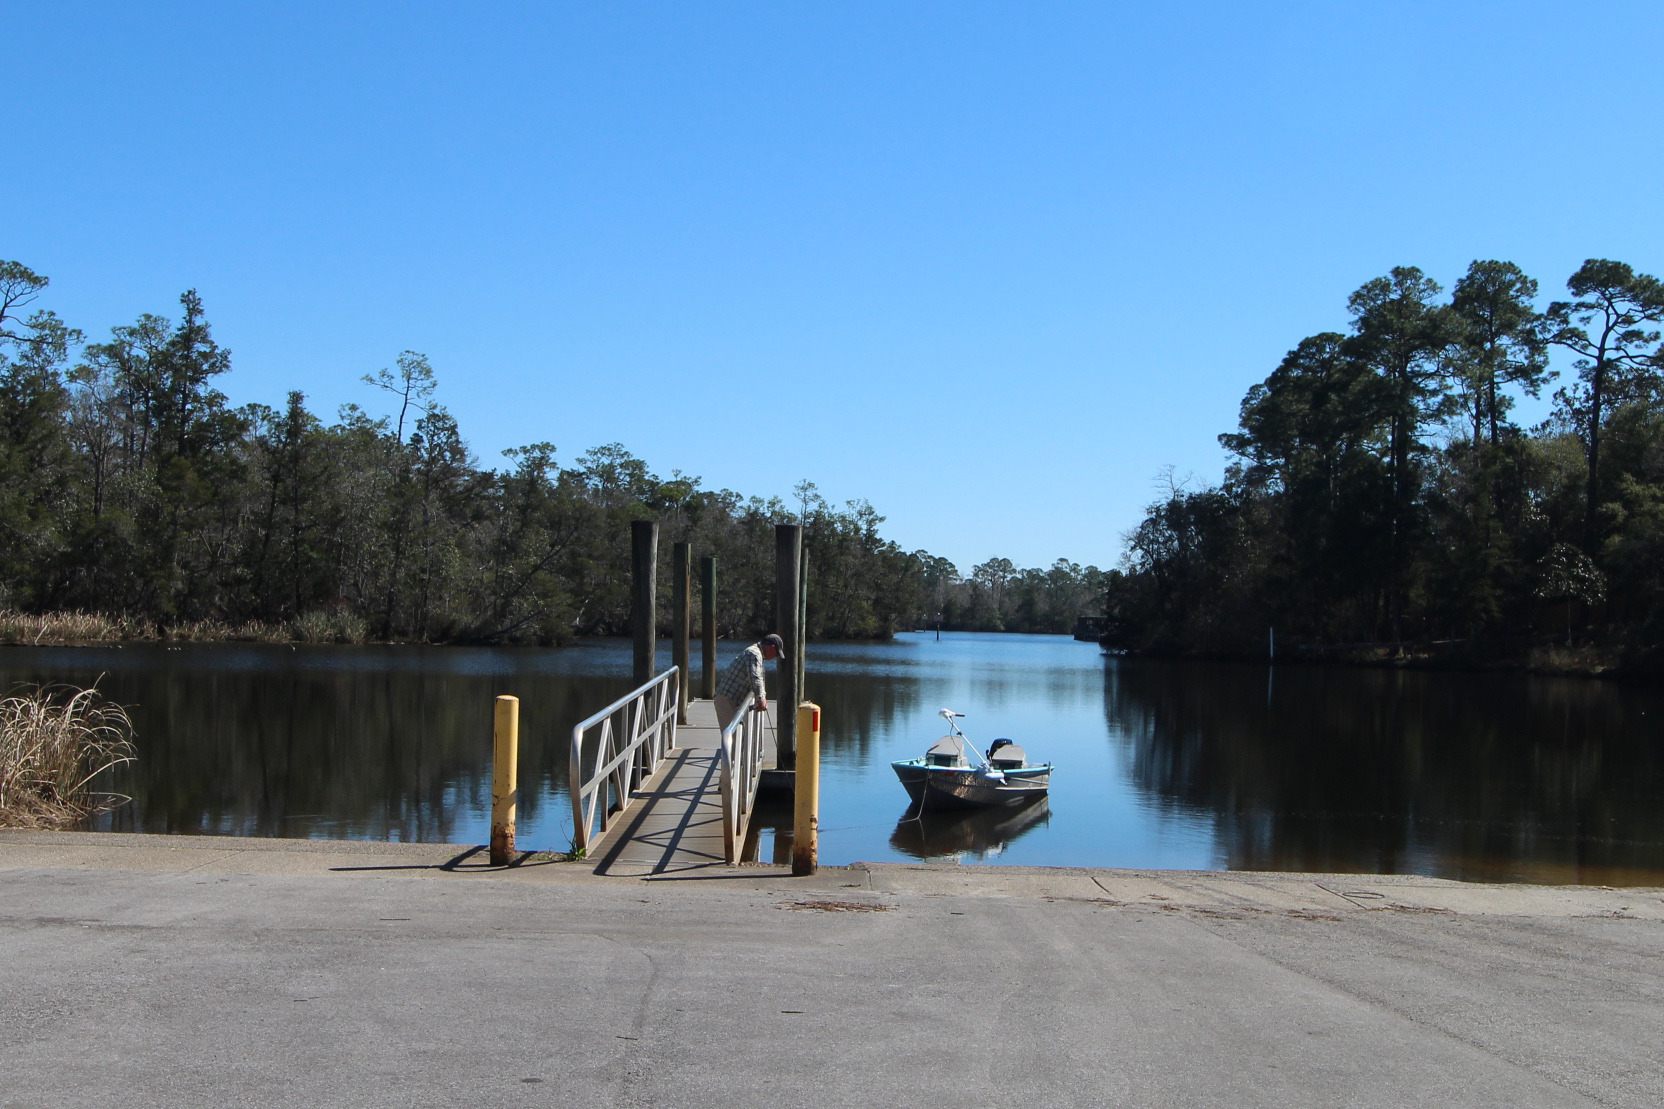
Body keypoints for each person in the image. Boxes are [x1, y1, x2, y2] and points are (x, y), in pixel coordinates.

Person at [714, 633, 786, 730]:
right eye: (776, 653)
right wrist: (761, 699)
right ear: (771, 647)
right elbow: (755, 677)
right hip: (726, 699)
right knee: (732, 739)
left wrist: (761, 697)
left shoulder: (756, 654)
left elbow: (758, 677)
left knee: (739, 738)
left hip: (733, 700)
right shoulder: (754, 654)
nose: (775, 656)